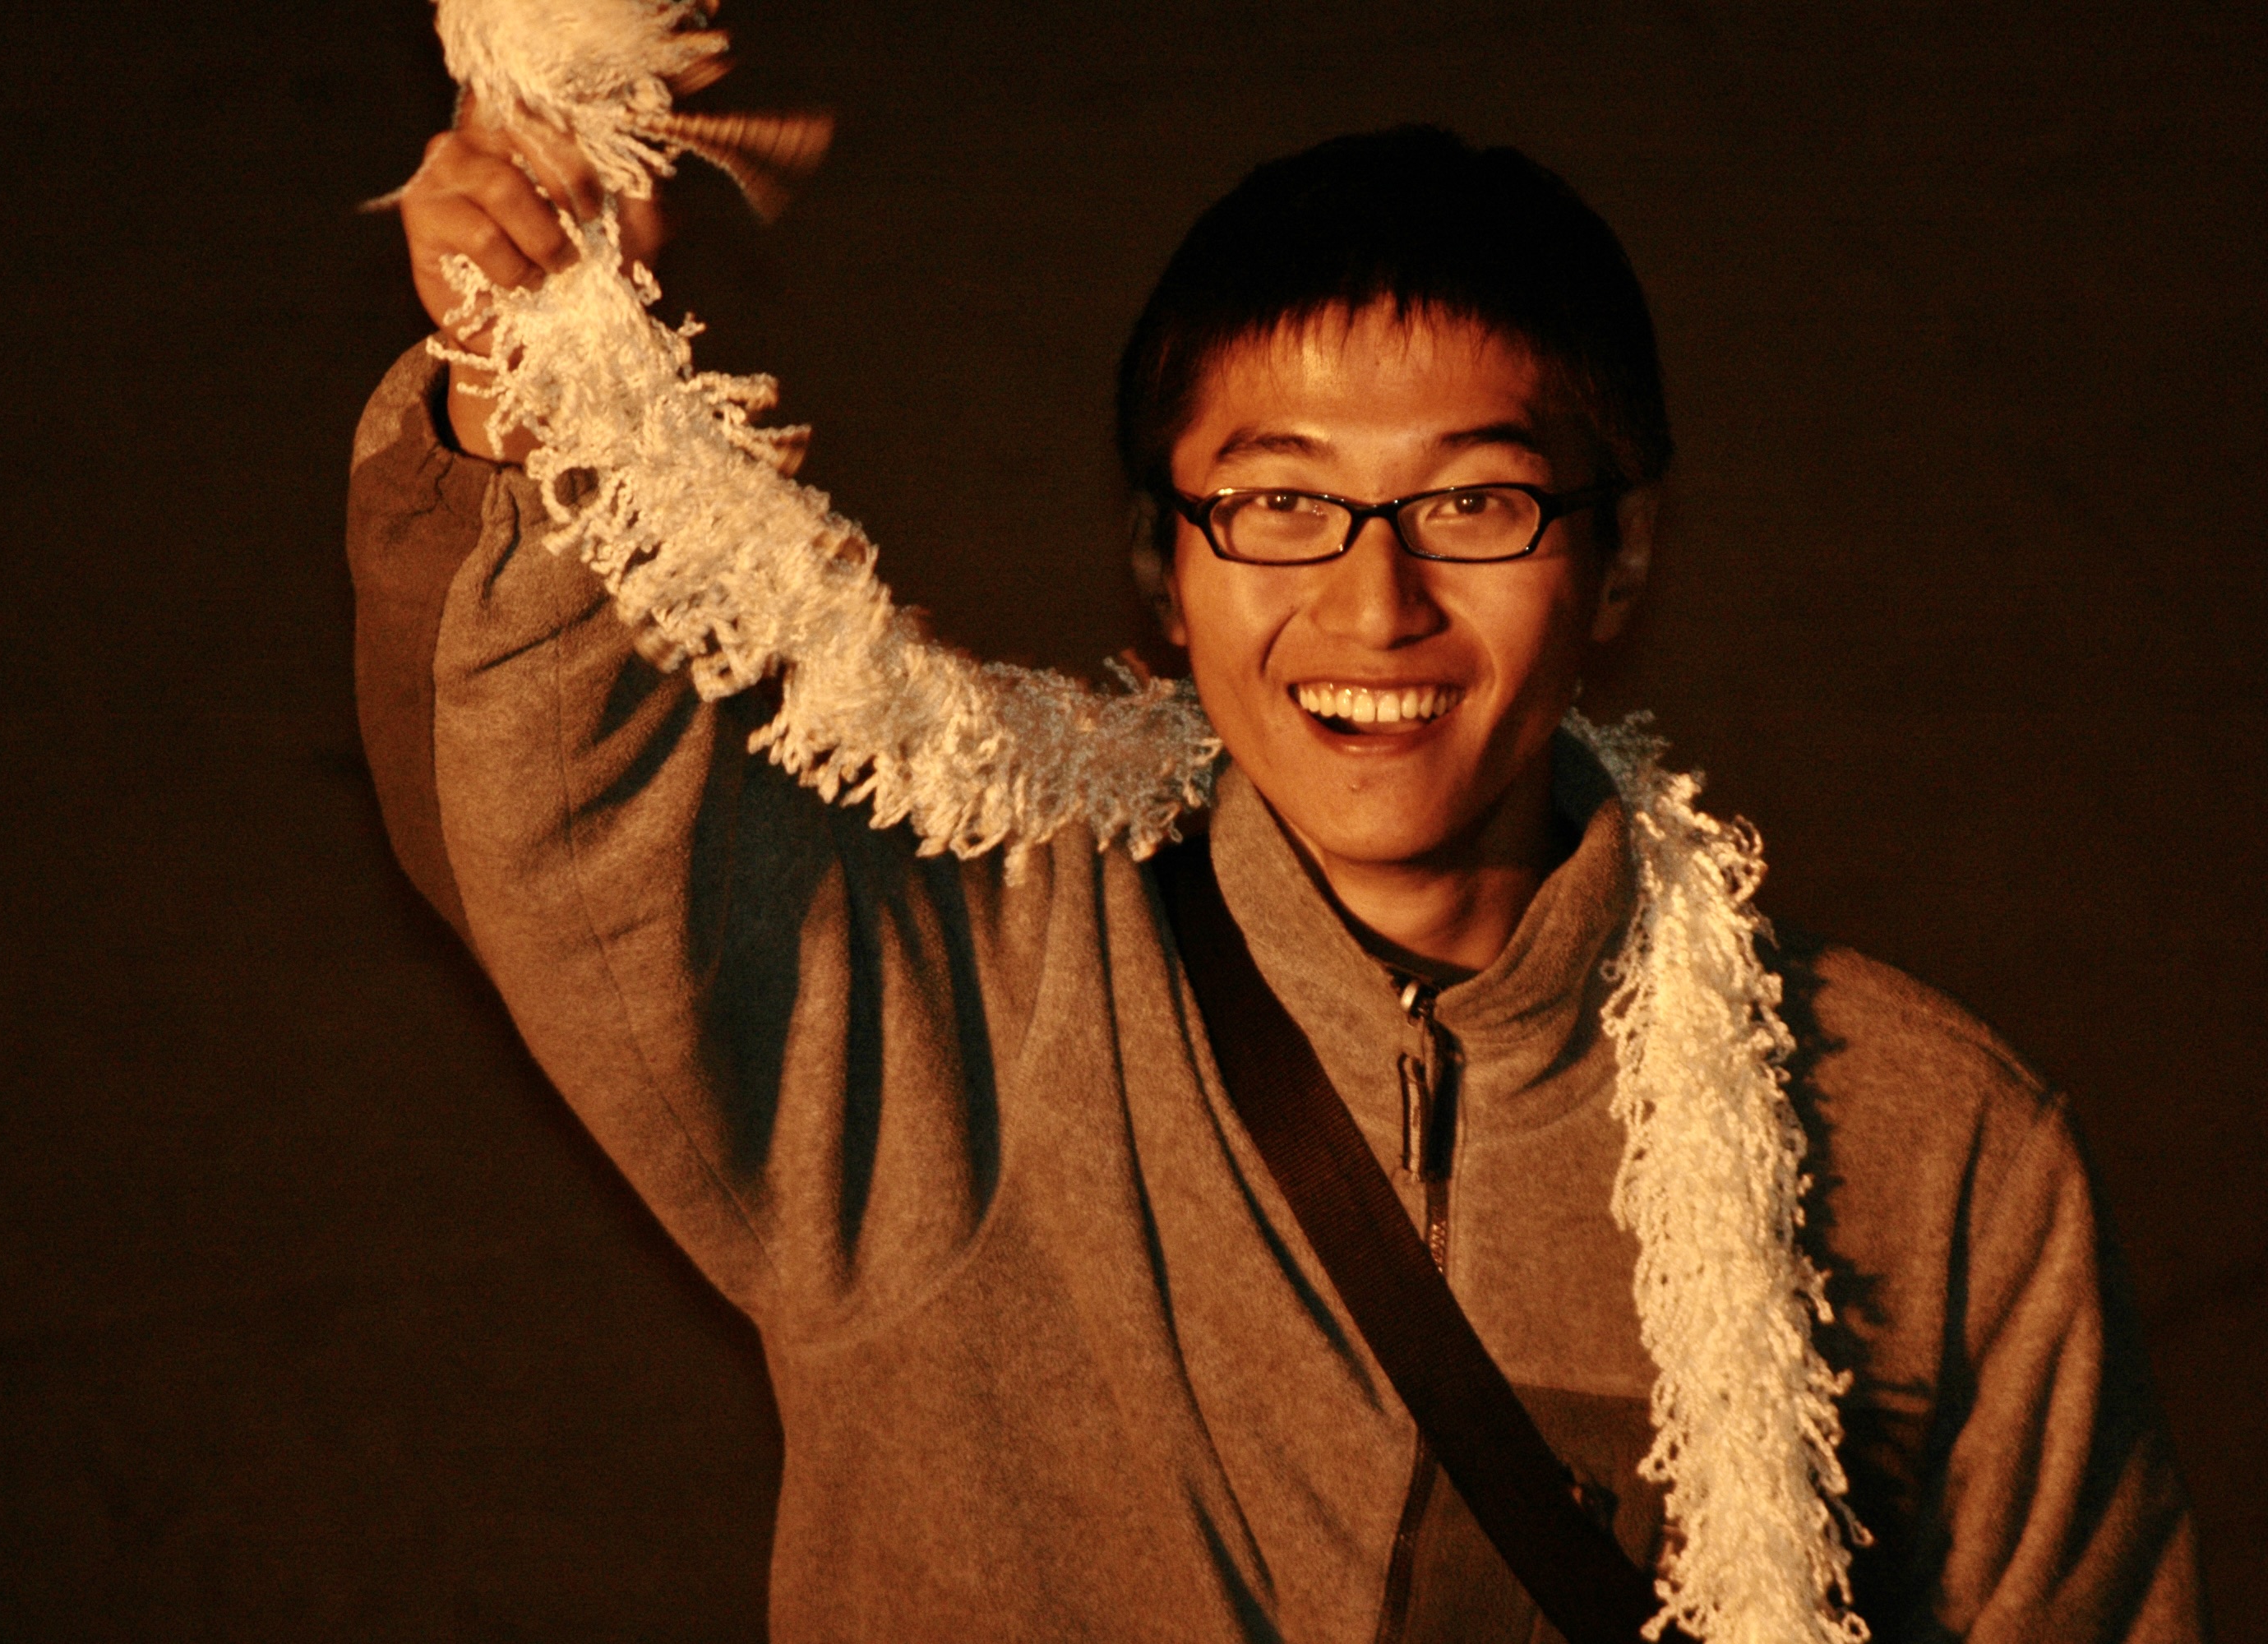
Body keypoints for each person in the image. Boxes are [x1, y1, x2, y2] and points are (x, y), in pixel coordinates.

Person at [347, 108, 2205, 1642]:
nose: (1373, 603)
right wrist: (529, 384)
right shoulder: (951, 1018)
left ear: (1620, 557)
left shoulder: (1926, 1151)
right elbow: (559, 827)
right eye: (1279, 504)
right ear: (1165, 568)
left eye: (1473, 503)